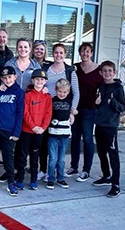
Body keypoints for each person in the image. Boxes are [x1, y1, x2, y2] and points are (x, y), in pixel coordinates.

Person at [38, 43, 80, 180]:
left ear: (65, 54)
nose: (58, 55)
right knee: (45, 141)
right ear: (52, 53)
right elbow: (39, 83)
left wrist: (72, 111)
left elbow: (76, 93)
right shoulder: (46, 68)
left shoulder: (70, 71)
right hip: (45, 109)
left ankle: (57, 171)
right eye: (56, 52)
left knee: (59, 143)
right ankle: (44, 170)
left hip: (62, 111)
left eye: (61, 53)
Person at [0, 66, 24, 196]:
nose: (7, 80)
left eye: (10, 77)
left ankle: (11, 183)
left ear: (15, 77)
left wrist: (16, 132)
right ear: (1, 79)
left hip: (8, 130)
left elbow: (20, 114)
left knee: (8, 157)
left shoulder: (19, 92)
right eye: (5, 77)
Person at [67, 42, 103, 182]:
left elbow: (104, 86)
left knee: (87, 138)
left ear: (92, 53)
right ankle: (74, 166)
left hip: (90, 109)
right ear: (79, 53)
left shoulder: (98, 70)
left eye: (88, 51)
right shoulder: (74, 68)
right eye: (82, 51)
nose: (85, 54)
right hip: (75, 108)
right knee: (75, 138)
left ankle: (86, 170)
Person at [92, 61, 125, 198]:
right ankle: (106, 175)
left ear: (114, 72)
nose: (107, 73)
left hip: (111, 126)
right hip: (99, 124)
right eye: (104, 71)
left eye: (110, 71)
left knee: (113, 154)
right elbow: (98, 105)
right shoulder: (100, 86)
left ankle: (116, 184)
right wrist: (97, 103)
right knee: (101, 152)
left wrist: (113, 103)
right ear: (101, 72)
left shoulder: (118, 88)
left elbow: (122, 107)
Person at [15, 69, 52, 190]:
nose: (39, 81)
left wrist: (43, 128)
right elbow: (25, 113)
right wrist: (33, 126)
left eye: (42, 79)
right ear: (33, 80)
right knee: (22, 155)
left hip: (39, 132)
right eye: (37, 79)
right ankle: (20, 178)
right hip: (26, 130)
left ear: (45, 81)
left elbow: (48, 113)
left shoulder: (47, 96)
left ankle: (33, 180)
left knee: (35, 156)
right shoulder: (28, 95)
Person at [46, 78, 75, 190]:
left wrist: (72, 114)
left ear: (68, 92)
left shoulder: (70, 101)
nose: (62, 94)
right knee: (53, 158)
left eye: (64, 92)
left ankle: (61, 178)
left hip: (65, 134)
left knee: (61, 158)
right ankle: (50, 178)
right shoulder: (51, 100)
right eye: (60, 91)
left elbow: (73, 111)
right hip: (53, 133)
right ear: (56, 90)